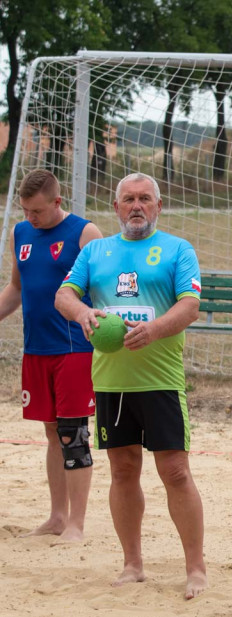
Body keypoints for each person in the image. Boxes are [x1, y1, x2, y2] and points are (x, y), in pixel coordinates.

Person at [55, 172, 207, 600]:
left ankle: (195, 568)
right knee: (123, 471)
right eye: (128, 200)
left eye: (144, 199)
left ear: (158, 207)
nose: (136, 206)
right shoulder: (96, 250)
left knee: (175, 471)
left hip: (160, 381)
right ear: (116, 206)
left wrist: (155, 330)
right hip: (111, 382)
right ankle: (132, 564)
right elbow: (63, 296)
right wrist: (83, 314)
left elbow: (191, 305)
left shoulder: (178, 249)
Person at [0, 170, 102, 543]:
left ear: (57, 202)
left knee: (72, 433)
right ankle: (57, 516)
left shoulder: (85, 233)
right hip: (36, 349)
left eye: (37, 211)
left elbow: (104, 290)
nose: (31, 218)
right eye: (25, 211)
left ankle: (77, 522)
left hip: (74, 349)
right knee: (50, 433)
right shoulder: (20, 233)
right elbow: (16, 287)